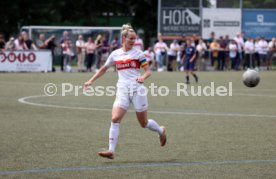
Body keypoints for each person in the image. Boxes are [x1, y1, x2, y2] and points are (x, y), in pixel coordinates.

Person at [84, 24, 167, 159]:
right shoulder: (115, 54)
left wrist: (143, 77)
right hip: (122, 90)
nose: (133, 41)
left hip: (137, 90)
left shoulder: (139, 54)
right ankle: (111, 151)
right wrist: (91, 80)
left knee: (143, 123)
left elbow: (148, 71)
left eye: (134, 39)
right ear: (124, 38)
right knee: (115, 118)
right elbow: (104, 68)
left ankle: (161, 130)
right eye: (130, 39)